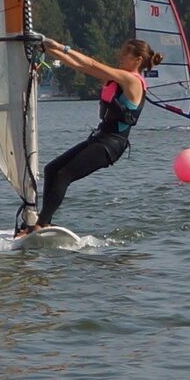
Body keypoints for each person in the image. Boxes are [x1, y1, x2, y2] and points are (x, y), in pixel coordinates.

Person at [24, 38, 162, 235]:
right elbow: (82, 66)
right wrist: (49, 49)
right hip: (100, 138)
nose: (120, 56)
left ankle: (39, 224)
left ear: (138, 59)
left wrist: (61, 46)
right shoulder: (121, 77)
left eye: (125, 53)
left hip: (112, 144)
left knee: (64, 174)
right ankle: (45, 223)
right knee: (52, 169)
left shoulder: (131, 80)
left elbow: (91, 63)